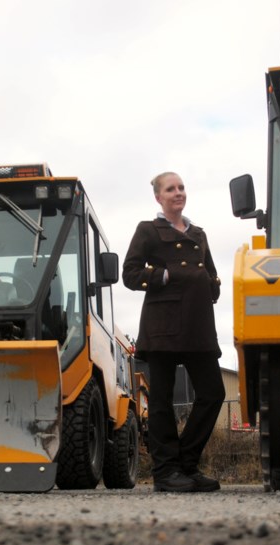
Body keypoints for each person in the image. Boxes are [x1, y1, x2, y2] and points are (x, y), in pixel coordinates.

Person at [122, 172, 225, 492]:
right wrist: (164, 276)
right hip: (163, 325)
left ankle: (187, 464)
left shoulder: (199, 233)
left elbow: (210, 273)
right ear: (158, 197)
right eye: (171, 189)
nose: (178, 192)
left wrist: (210, 286)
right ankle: (166, 473)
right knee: (163, 400)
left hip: (198, 323)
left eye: (181, 187)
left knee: (213, 393)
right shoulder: (148, 230)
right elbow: (130, 274)